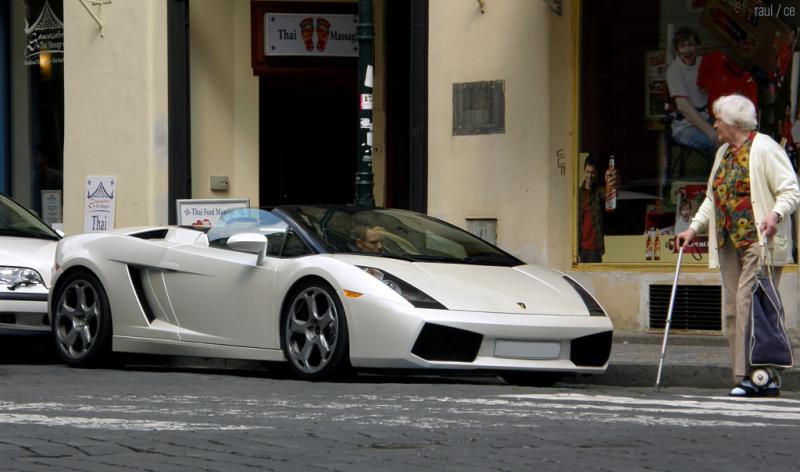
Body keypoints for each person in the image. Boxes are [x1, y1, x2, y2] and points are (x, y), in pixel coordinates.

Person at [676, 94, 800, 398]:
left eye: (718, 118)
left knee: (750, 305)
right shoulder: (723, 154)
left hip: (760, 242)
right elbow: (711, 198)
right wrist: (692, 229)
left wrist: (774, 215)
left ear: (734, 123)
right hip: (729, 244)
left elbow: (791, 190)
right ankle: (749, 376)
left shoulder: (765, 148)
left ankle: (754, 375)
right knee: (732, 310)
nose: (715, 123)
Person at [667, 27, 716, 156]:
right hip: (684, 127)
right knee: (717, 143)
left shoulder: (703, 63)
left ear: (698, 46)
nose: (687, 50)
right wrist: (710, 131)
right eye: (682, 46)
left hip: (707, 118)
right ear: (677, 51)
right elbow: (683, 107)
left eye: (691, 45)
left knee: (731, 140)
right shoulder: (674, 71)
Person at [577, 155, 619, 263]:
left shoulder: (598, 191)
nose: (589, 176)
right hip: (579, 248)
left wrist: (610, 183)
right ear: (584, 171)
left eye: (592, 173)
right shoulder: (578, 193)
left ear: (596, 174)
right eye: (587, 172)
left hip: (594, 249)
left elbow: (608, 196)